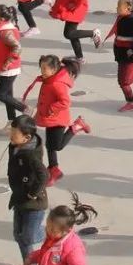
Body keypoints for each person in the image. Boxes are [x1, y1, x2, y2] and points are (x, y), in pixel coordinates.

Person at [30, 55, 91, 186]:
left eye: (44, 69)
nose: (42, 72)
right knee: (50, 145)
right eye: (41, 68)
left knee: (57, 146)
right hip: (49, 118)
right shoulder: (49, 80)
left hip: (58, 119)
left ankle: (77, 126)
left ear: (54, 69)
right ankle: (54, 169)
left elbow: (65, 102)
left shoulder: (57, 84)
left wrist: (51, 108)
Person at [0, 4, 28, 124]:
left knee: (1, 95)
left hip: (10, 68)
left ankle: (25, 109)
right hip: (5, 67)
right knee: (8, 96)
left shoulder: (6, 32)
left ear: (1, 20)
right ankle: (12, 120)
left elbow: (17, 47)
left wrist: (8, 62)